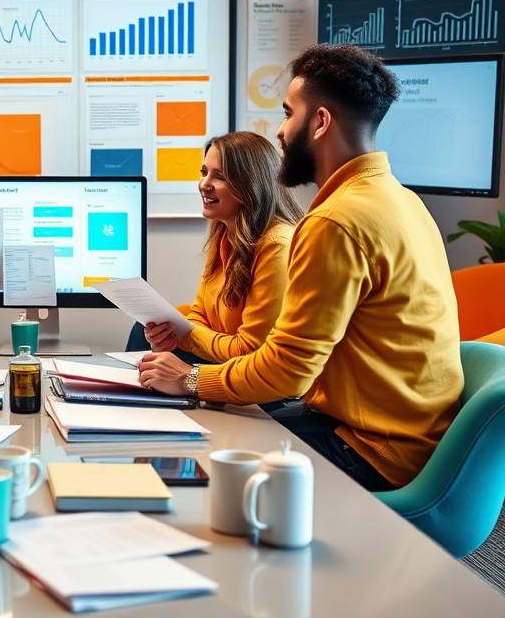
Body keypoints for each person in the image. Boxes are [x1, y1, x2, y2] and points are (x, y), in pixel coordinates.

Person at [138, 45, 463, 491]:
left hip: (371, 449)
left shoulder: (336, 220)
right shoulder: (401, 199)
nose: (281, 131)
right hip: (403, 437)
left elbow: (287, 370)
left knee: (198, 456)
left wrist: (191, 379)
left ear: (321, 121)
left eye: (288, 114)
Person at [135, 131, 302, 364]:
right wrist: (171, 337)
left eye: (220, 177)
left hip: (260, 385)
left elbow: (249, 352)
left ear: (251, 184)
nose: (204, 184)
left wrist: (183, 335)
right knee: (142, 331)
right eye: (204, 172)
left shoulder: (277, 246)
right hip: (223, 363)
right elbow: (198, 315)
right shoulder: (225, 235)